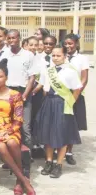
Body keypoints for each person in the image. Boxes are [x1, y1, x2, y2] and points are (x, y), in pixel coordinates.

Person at [0, 59, 36, 195]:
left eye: (0, 76)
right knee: (0, 146)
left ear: (6, 77)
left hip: (11, 130)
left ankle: (19, 181)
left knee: (11, 142)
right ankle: (24, 181)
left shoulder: (15, 95)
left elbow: (18, 119)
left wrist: (8, 131)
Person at [35, 45, 82, 179]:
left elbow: (77, 89)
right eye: (53, 56)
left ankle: (59, 164)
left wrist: (70, 103)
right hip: (49, 103)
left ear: (65, 56)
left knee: (62, 134)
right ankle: (49, 161)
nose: (55, 58)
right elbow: (44, 88)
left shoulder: (70, 72)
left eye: (58, 55)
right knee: (48, 133)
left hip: (62, 104)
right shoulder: (47, 71)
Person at [5, 29, 37, 177]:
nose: (12, 41)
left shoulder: (28, 55)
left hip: (24, 93)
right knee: (10, 127)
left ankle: (26, 164)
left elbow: (32, 77)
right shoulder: (5, 54)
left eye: (14, 38)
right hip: (8, 93)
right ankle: (11, 160)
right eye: (9, 38)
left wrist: (24, 95)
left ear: (19, 39)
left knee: (25, 128)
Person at [63, 34, 89, 165]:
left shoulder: (82, 59)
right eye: (66, 44)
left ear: (76, 44)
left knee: (73, 124)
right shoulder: (61, 56)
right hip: (62, 94)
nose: (68, 46)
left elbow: (84, 78)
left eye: (70, 43)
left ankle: (69, 152)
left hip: (76, 95)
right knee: (62, 123)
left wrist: (76, 94)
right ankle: (59, 150)